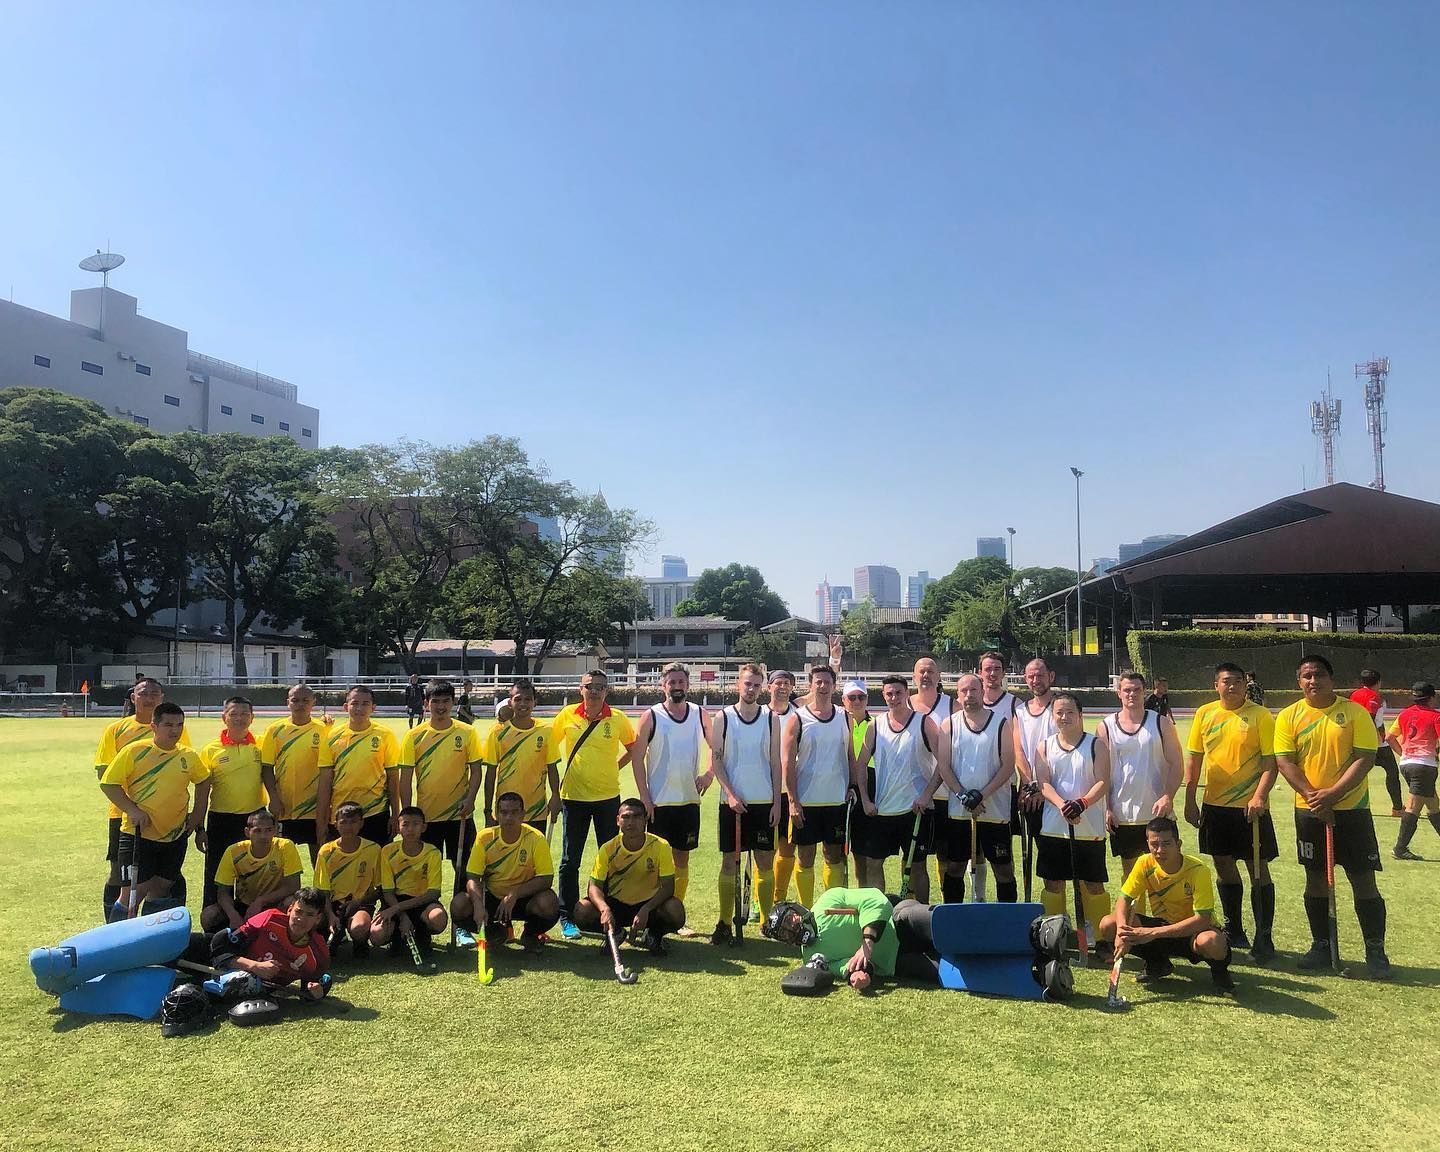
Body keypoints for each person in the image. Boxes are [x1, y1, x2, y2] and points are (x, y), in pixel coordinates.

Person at [1274, 654, 1390, 978]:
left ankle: (1375, 950)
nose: (1314, 681)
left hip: (1352, 811)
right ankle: (1321, 945)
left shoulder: (1354, 713)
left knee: (1363, 879)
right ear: (1299, 681)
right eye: (1307, 676)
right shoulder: (1288, 717)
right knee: (1315, 879)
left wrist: (1332, 795)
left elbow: (1365, 758)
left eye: (1320, 675)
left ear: (1332, 678)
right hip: (1309, 812)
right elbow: (1286, 762)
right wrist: (1315, 797)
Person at [1183, 662, 1280, 962]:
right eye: (1226, 681)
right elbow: (1195, 759)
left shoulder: (1260, 715)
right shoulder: (1205, 713)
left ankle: (1264, 937)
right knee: (1223, 866)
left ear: (1245, 684)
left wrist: (1260, 796)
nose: (1232, 686)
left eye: (1238, 681)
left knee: (1258, 870)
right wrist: (1189, 798)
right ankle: (1234, 929)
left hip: (1250, 809)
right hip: (1215, 805)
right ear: (1216, 685)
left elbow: (1270, 762)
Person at [99, 701, 210, 916]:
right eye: (168, 725)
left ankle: (150, 944)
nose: (175, 730)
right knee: (132, 894)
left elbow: (204, 782)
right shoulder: (135, 751)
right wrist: (132, 810)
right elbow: (108, 784)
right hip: (138, 835)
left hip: (174, 836)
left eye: (179, 724)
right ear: (154, 726)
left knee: (161, 890)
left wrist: (197, 815)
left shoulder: (188, 756)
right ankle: (119, 945)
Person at [1097, 816, 1233, 991]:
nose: (1160, 850)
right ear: (1147, 843)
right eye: (1154, 844)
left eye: (1167, 844)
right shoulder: (1144, 863)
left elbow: (1203, 919)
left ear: (1179, 844)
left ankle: (1220, 971)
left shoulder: (1198, 871)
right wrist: (1121, 932)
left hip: (1193, 932)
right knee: (1108, 925)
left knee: (1211, 942)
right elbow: (1124, 899)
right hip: (1163, 928)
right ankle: (1157, 963)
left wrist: (1153, 932)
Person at [551, 670, 636, 939]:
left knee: (609, 859)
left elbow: (633, 749)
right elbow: (549, 750)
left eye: (600, 687)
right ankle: (567, 917)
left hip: (608, 799)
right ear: (581, 689)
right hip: (573, 798)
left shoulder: (618, 718)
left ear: (607, 691)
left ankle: (609, 912)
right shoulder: (567, 715)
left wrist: (614, 767)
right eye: (590, 686)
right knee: (569, 860)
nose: (595, 691)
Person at [399, 679, 482, 941]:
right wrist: (408, 813)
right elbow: (405, 778)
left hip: (459, 817)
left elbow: (476, 771)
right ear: (426, 703)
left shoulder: (466, 733)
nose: (441, 706)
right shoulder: (415, 736)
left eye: (446, 701)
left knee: (464, 871)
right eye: (435, 701)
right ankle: (423, 922)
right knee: (424, 873)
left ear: (453, 703)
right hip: (427, 819)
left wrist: (470, 800)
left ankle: (462, 926)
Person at [631, 663, 710, 932]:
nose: (677, 686)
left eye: (681, 682)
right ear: (663, 685)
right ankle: (649, 913)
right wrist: (645, 798)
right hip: (659, 803)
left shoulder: (699, 714)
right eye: (672, 682)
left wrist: (709, 774)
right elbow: (637, 757)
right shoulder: (651, 715)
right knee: (655, 863)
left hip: (688, 801)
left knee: (682, 860)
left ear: (688, 685)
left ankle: (675, 916)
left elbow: (719, 747)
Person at [1096, 672, 1182, 920]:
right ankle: (1136, 928)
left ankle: (1167, 929)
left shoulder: (1160, 723)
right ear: (1119, 693)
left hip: (1157, 812)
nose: (1131, 694)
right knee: (1131, 875)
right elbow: (1102, 771)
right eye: (1127, 690)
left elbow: (1177, 764)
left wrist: (1167, 795)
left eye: (1136, 689)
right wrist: (1107, 806)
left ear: (1145, 692)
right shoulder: (1106, 726)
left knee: (1164, 872)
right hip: (1123, 814)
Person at [707, 663, 782, 944]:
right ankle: (725, 922)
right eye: (747, 684)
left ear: (762, 688)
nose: (751, 689)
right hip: (732, 803)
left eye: (756, 685)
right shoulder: (723, 717)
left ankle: (766, 922)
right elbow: (717, 760)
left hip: (764, 802)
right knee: (729, 863)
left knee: (765, 862)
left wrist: (777, 801)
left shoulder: (771, 718)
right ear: (739, 685)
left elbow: (776, 762)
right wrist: (730, 794)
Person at [1034, 694, 1111, 953]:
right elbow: (1043, 782)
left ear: (1080, 714)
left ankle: (1099, 938)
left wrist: (1082, 803)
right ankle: (1056, 935)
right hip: (1054, 827)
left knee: (1093, 885)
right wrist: (1062, 805)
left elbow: (1102, 781)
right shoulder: (1044, 746)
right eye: (1059, 713)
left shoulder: (1096, 745)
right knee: (1053, 883)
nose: (1064, 717)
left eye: (1069, 712)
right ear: (1052, 716)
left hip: (1089, 829)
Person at [931, 673, 1017, 903]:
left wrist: (981, 795)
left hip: (994, 809)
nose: (969, 695)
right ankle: (954, 917)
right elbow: (944, 766)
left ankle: (1005, 921)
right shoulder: (949, 724)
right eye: (964, 691)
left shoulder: (1000, 723)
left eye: (974, 690)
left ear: (982, 692)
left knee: (1003, 868)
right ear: (957, 695)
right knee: (956, 866)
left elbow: (1008, 764)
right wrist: (962, 795)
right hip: (960, 810)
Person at [852, 675, 940, 898]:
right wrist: (865, 800)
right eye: (889, 694)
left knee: (917, 867)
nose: (893, 698)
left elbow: (943, 765)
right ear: (883, 696)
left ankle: (919, 915)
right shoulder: (875, 726)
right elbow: (861, 764)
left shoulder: (924, 722)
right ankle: (878, 915)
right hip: (882, 809)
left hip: (915, 810)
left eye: (898, 693)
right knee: (873, 863)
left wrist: (926, 795)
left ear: (907, 694)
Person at [761, 888, 941, 992]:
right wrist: (858, 975)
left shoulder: (828, 900)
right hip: (894, 961)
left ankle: (954, 922)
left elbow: (875, 900)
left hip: (896, 922)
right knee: (937, 973)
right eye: (783, 933)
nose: (790, 929)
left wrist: (868, 941)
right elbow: (844, 966)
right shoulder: (811, 957)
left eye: (788, 921)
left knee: (916, 916)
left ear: (796, 909)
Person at [783, 665, 856, 906]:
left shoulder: (845, 716)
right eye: (818, 682)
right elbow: (787, 763)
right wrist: (793, 801)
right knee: (805, 856)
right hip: (806, 801)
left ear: (834, 686)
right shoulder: (798, 718)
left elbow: (850, 756)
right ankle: (806, 908)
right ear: (810, 685)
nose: (822, 686)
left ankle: (829, 908)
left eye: (827, 682)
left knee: (833, 856)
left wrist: (853, 786)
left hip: (836, 800)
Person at [572, 797, 686, 952]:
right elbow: (594, 886)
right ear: (618, 820)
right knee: (581, 910)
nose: (631, 822)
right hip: (616, 905)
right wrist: (605, 909)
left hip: (649, 905)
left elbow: (668, 887)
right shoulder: (608, 848)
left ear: (645, 819)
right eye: (626, 817)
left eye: (637, 816)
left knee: (676, 910)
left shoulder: (661, 846)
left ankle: (653, 934)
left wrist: (646, 909)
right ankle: (616, 932)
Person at [457, 790, 561, 952]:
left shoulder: (536, 838)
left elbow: (546, 878)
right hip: (492, 898)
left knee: (549, 903)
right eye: (504, 812)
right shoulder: (485, 838)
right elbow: (472, 876)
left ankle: (530, 934)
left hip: (523, 899)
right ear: (497, 815)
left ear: (523, 815)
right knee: (459, 904)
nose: (508, 817)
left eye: (514, 812)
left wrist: (514, 894)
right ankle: (494, 932)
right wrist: (478, 904)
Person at [198, 695, 269, 912]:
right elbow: (202, 792)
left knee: (258, 873)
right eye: (234, 714)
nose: (239, 718)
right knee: (217, 875)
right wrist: (200, 828)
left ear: (252, 717)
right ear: (224, 717)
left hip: (256, 819)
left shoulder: (262, 745)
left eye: (244, 714)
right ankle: (213, 923)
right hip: (221, 820)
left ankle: (256, 923)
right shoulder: (211, 750)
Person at [260, 683, 335, 867]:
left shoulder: (323, 729)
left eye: (305, 700)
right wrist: (274, 797)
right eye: (295, 700)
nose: (300, 704)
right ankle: (287, 896)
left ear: (313, 703)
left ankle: (321, 896)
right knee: (282, 861)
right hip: (285, 807)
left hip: (315, 807)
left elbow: (330, 769)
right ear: (288, 703)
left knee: (320, 859)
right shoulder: (275, 730)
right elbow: (267, 767)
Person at [316, 684, 401, 847]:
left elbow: (393, 777)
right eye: (355, 703)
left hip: (375, 812)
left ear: (373, 707)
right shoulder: (331, 737)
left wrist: (395, 814)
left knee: (375, 867)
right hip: (341, 814)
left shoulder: (385, 735)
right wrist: (321, 821)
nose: (359, 708)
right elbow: (325, 782)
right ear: (346, 707)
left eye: (365, 704)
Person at [211, 887, 332, 998]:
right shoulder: (269, 919)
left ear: (318, 919)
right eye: (298, 912)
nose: (301, 919)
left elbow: (312, 987)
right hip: (227, 966)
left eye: (309, 915)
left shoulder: (318, 952)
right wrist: (255, 966)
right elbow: (220, 948)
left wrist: (316, 991)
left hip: (258, 986)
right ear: (290, 910)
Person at [201, 808, 303, 932]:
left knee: (291, 903)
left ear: (275, 831)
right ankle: (218, 946)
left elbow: (294, 886)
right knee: (209, 915)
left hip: (276, 904)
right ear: (247, 832)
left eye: (268, 830)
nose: (263, 836)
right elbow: (223, 892)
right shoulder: (234, 851)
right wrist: (233, 915)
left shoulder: (285, 847)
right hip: (244, 905)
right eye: (257, 831)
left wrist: (261, 901)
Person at [482, 678, 560, 831]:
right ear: (510, 702)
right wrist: (487, 810)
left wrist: (556, 795)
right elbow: (490, 773)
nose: (523, 704)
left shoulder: (546, 731)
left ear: (535, 702)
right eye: (518, 699)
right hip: (506, 810)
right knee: (505, 852)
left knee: (534, 853)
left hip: (536, 809)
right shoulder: (497, 732)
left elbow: (552, 768)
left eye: (528, 699)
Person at [372, 806, 447, 961]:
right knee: (376, 936)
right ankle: (398, 937)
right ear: (398, 828)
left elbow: (433, 893)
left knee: (438, 918)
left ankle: (421, 934)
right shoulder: (387, 851)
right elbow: (387, 892)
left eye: (416, 824)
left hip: (422, 902)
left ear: (424, 827)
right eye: (405, 824)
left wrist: (398, 909)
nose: (410, 829)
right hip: (395, 901)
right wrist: (402, 916)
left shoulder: (433, 852)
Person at [313, 801, 382, 958]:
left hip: (361, 903)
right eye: (343, 822)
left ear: (361, 823)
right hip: (332, 905)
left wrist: (358, 902)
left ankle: (360, 942)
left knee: (359, 927)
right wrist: (330, 914)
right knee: (314, 922)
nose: (348, 827)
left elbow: (381, 889)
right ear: (335, 824)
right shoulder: (326, 851)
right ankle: (331, 937)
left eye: (353, 822)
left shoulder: (373, 849)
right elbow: (322, 889)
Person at [1013, 658, 1058, 891]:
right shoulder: (1020, 711)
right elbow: (1018, 749)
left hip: (1059, 792)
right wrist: (1030, 784)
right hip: (1032, 796)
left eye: (1039, 675)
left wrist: (1044, 788)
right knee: (1045, 858)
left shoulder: (1061, 707)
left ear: (1051, 676)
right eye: (1030, 676)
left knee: (1064, 855)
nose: (1035, 680)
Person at [910, 656, 954, 897]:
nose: (925, 676)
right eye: (921, 672)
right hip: (914, 796)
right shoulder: (904, 704)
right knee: (915, 858)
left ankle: (947, 903)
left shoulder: (951, 706)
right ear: (914, 676)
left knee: (946, 855)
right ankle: (916, 910)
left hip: (946, 794)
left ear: (938, 676)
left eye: (930, 671)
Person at [1387, 682, 1440, 860]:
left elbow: (1389, 737)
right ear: (1432, 697)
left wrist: (1404, 754)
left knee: (1433, 805)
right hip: (1424, 766)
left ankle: (1400, 849)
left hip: (1407, 764)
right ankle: (1399, 849)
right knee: (1413, 807)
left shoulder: (1405, 714)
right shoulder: (1435, 716)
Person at [767, 669, 803, 903]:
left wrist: (834, 659)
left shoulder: (798, 713)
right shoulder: (760, 714)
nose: (782, 687)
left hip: (789, 791)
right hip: (764, 791)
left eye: (787, 683)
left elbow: (822, 686)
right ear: (769, 686)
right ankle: (762, 900)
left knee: (788, 848)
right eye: (778, 683)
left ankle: (778, 898)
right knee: (764, 851)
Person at [1351, 668, 1404, 818]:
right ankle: (1397, 808)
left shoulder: (1354, 695)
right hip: (1375, 744)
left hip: (1356, 741)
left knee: (1356, 773)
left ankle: (1351, 805)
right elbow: (1371, 716)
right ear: (1379, 682)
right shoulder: (1374, 697)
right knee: (1392, 772)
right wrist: (1377, 736)